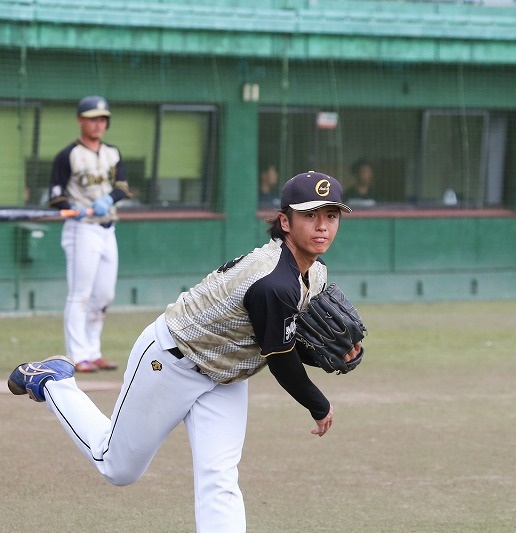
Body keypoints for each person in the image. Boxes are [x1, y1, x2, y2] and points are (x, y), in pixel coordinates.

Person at [8, 171, 360, 533]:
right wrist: (318, 404)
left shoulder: (313, 272)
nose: (322, 226)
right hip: (172, 361)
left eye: (331, 215)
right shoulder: (273, 281)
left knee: (220, 478)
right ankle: (53, 382)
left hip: (226, 376)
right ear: (285, 222)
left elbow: (281, 336)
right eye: (310, 215)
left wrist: (332, 351)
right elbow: (281, 359)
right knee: (118, 468)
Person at [48, 95, 133, 373]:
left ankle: (93, 351)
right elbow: (55, 196)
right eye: (92, 119)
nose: (98, 124)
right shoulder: (68, 155)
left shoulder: (112, 152)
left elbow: (122, 187)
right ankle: (77, 355)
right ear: (80, 120)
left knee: (105, 295)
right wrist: (71, 208)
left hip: (108, 228)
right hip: (81, 229)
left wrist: (109, 199)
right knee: (80, 294)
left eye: (102, 119)